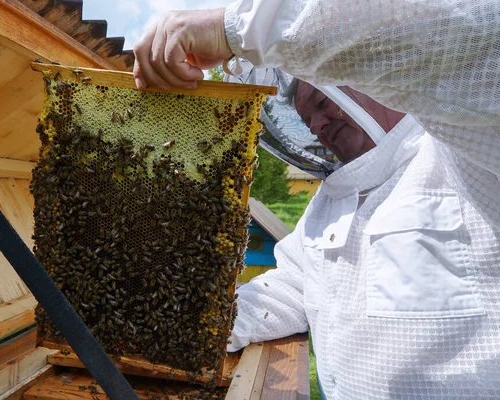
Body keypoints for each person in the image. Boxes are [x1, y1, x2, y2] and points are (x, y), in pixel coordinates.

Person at [133, 2, 500, 399]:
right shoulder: (326, 206)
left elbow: (464, 37)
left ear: (367, 72)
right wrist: (185, 323)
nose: (320, 126)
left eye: (323, 104)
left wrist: (237, 28)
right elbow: (294, 290)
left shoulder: (468, 148)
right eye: (309, 121)